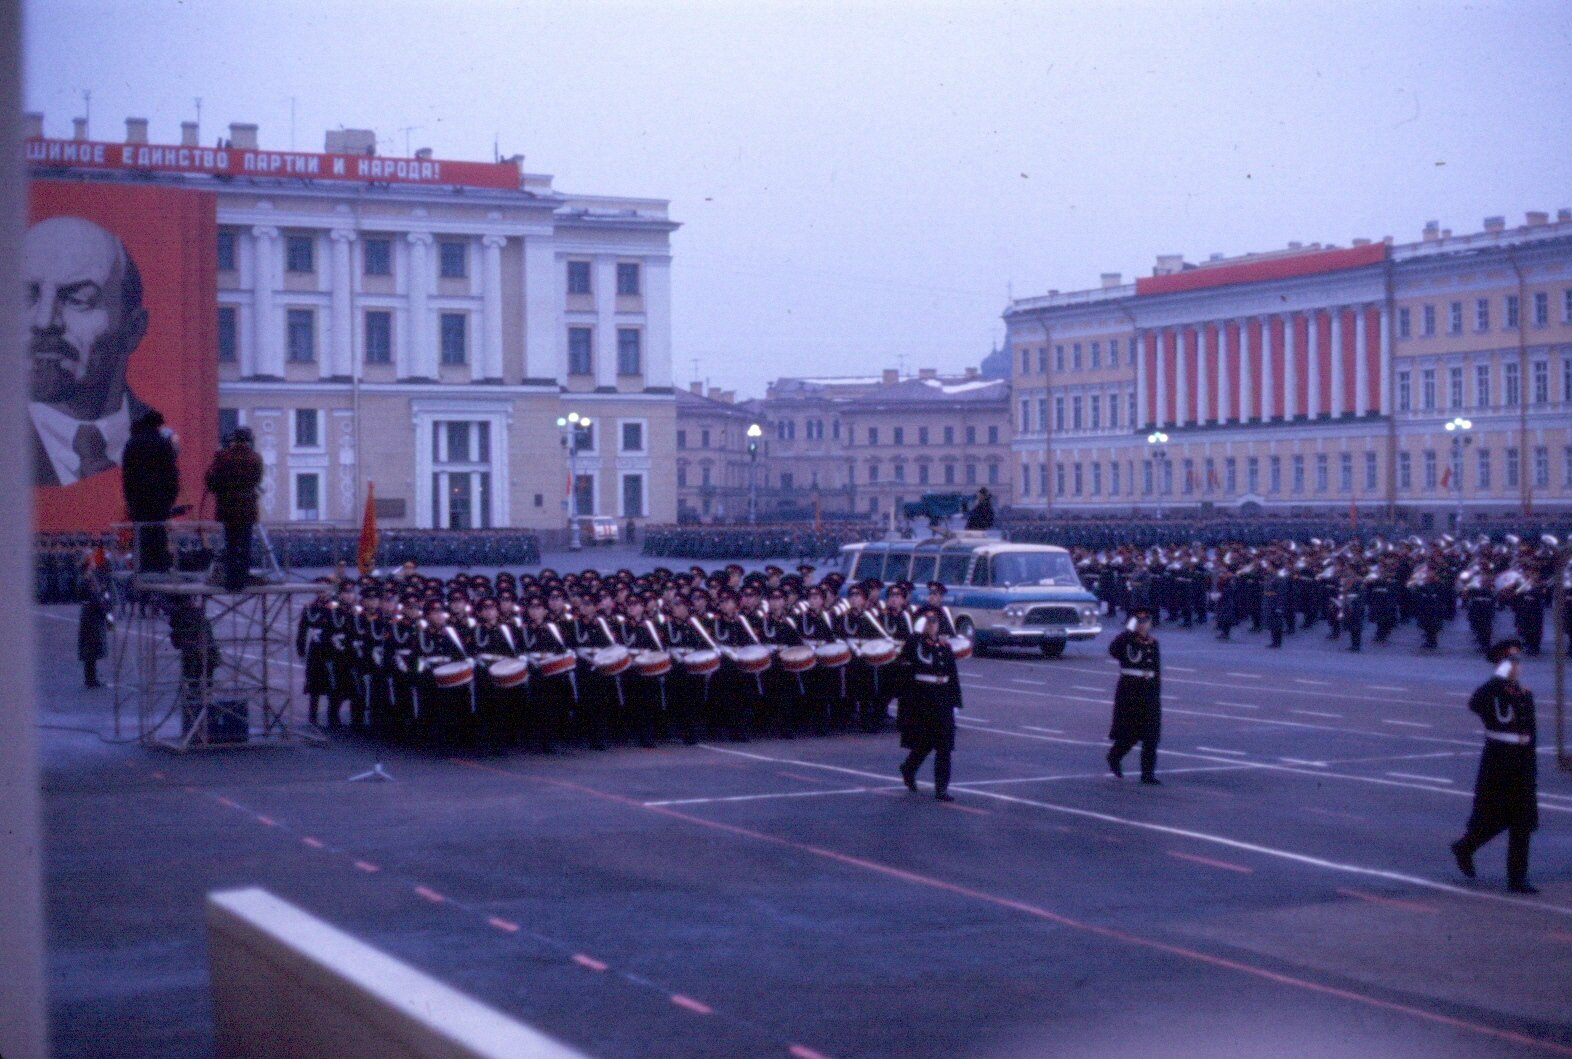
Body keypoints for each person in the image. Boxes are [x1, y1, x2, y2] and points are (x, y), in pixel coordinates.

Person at [24, 216, 159, 487]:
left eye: (78, 300)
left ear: (133, 329)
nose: (43, 321)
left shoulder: (162, 438)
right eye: (25, 297)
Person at [1451, 639, 1540, 894]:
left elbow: (1530, 732)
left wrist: (1531, 765)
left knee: (1522, 820)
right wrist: (1497, 679)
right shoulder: (1492, 691)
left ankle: (1517, 877)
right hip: (1499, 758)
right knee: (1495, 817)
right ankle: (1465, 847)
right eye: (1510, 661)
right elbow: (1475, 702)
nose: (1516, 666)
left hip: (1521, 758)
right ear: (1500, 665)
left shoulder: (1524, 694)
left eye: (1517, 661)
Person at [897, 607, 963, 801]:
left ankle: (941, 787)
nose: (932, 626)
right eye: (928, 622)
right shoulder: (914, 643)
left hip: (942, 696)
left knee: (945, 745)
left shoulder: (944, 645)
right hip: (922, 697)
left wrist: (955, 701)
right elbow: (905, 667)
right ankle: (908, 768)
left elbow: (952, 674)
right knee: (924, 742)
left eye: (935, 622)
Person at [1106, 607, 1162, 784]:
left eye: (1145, 621)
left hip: (1149, 690)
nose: (1143, 624)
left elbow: (1156, 670)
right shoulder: (1126, 641)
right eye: (1138, 621)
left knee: (1151, 734)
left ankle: (1148, 774)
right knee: (1130, 733)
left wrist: (1156, 693)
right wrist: (1129, 629)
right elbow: (1113, 650)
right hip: (1130, 690)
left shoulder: (1153, 643)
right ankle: (1114, 756)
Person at [121, 410, 181, 573]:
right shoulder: (163, 444)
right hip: (160, 500)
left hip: (138, 500)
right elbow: (172, 474)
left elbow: (127, 475)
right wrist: (170, 498)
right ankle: (160, 570)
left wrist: (129, 500)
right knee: (159, 536)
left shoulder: (132, 444)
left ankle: (142, 570)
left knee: (141, 537)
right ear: (159, 424)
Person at [205, 427, 264, 591]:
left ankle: (230, 580)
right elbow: (257, 479)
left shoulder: (222, 456)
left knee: (230, 545)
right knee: (245, 546)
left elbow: (211, 479)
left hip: (227, 507)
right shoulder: (255, 458)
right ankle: (242, 580)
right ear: (249, 440)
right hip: (247, 509)